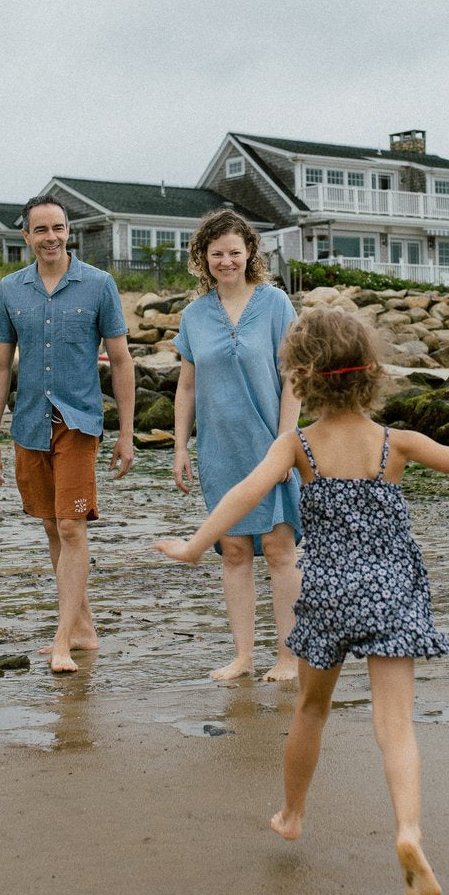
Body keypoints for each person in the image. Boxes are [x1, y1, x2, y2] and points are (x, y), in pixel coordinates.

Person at [156, 305, 449, 895]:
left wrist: (194, 546)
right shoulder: (396, 444)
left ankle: (291, 814)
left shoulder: (300, 445)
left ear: (302, 377)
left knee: (311, 710)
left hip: (330, 592)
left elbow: (244, 494)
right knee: (396, 723)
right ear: (369, 374)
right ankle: (408, 831)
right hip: (391, 589)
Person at [0, 195, 135, 674]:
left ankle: (62, 638)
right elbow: (1, 363)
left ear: (70, 232)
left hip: (79, 422)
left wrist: (126, 433)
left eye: (59, 227)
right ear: (26, 237)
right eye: (41, 229)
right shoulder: (11, 289)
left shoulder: (99, 285)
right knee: (51, 526)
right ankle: (85, 625)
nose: (51, 236)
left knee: (71, 526)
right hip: (29, 423)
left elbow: (122, 361)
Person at [172, 209, 302, 682]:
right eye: (217, 254)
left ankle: (289, 657)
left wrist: (286, 442)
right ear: (203, 259)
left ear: (249, 254)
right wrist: (181, 448)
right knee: (233, 552)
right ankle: (244, 657)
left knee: (278, 549)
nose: (226, 261)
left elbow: (294, 376)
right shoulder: (194, 315)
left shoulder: (275, 305)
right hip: (219, 448)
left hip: (269, 443)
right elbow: (186, 387)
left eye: (234, 252)